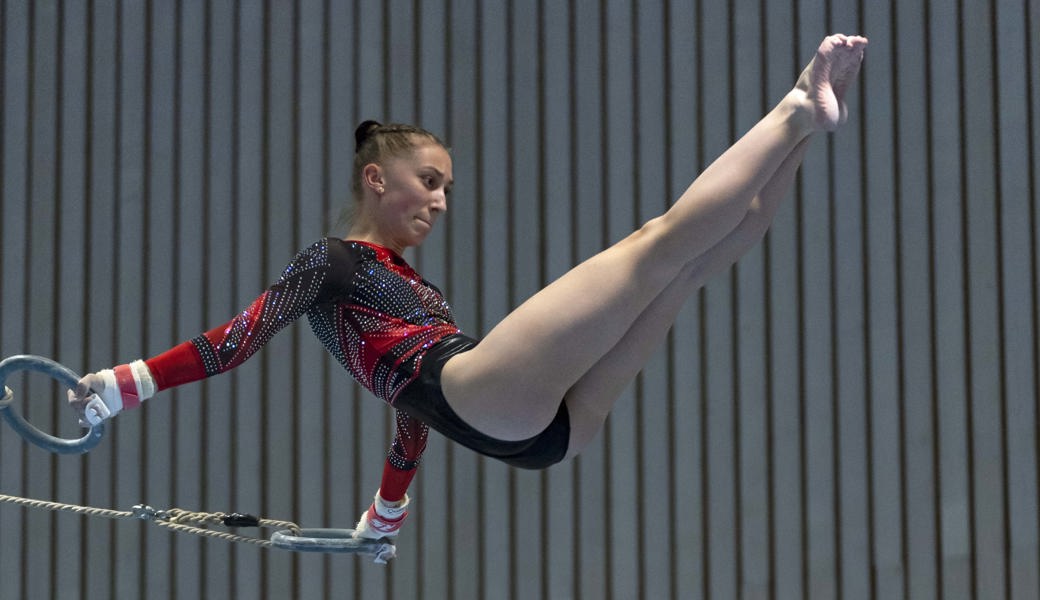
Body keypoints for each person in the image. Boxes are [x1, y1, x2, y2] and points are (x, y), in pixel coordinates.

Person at [69, 34, 868, 540]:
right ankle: (794, 109)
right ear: (377, 180)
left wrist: (385, 514)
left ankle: (802, 131)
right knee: (655, 247)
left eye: (448, 188)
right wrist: (120, 385)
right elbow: (233, 342)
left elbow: (409, 418)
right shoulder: (332, 264)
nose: (442, 202)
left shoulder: (413, 294)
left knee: (687, 267)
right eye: (430, 182)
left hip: (533, 432)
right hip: (499, 406)